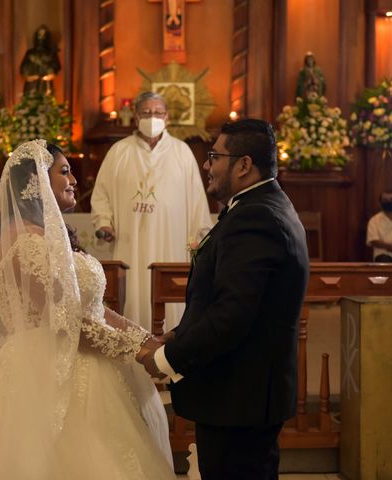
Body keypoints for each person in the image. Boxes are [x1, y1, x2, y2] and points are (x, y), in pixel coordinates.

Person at [0, 140, 176, 479]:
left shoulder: (51, 237)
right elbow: (68, 323)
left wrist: (147, 337)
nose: (74, 179)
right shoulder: (23, 245)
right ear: (36, 182)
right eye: (64, 171)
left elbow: (94, 309)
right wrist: (139, 350)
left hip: (86, 365)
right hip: (43, 373)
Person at [137, 119, 310, 479]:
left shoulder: (256, 218)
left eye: (215, 156)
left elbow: (232, 315)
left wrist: (166, 358)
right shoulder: (261, 205)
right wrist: (179, 334)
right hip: (243, 393)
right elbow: (229, 298)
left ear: (244, 165)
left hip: (240, 395)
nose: (206, 165)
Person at [91, 91, 212, 333]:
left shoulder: (182, 152)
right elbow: (101, 193)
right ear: (136, 118)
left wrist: (200, 238)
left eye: (158, 113)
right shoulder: (119, 152)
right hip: (129, 241)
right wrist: (104, 223)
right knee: (132, 301)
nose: (152, 117)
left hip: (172, 244)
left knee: (171, 308)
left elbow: (198, 200)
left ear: (167, 118)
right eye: (146, 112)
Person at [366, 190, 392, 262]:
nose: (389, 202)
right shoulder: (374, 220)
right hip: (383, 254)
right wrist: (390, 247)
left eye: (391, 199)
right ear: (380, 203)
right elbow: (373, 240)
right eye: (385, 200)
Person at [19, 25, 61, 95]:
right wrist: (32, 74)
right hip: (32, 85)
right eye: (40, 35)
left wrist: (46, 71)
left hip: (46, 85)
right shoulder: (30, 53)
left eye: (44, 36)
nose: (41, 38)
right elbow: (23, 69)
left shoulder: (51, 53)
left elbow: (55, 68)